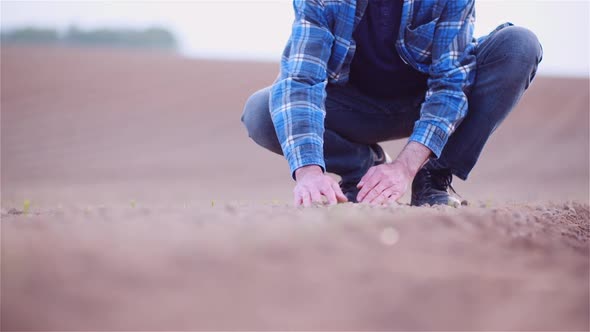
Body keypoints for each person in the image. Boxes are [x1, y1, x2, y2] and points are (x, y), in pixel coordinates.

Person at [242, 0, 542, 207]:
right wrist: (309, 172)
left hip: (429, 105)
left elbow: (450, 85)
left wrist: (406, 167)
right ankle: (361, 169)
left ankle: (432, 177)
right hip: (351, 108)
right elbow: (301, 79)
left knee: (518, 46)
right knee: (262, 111)